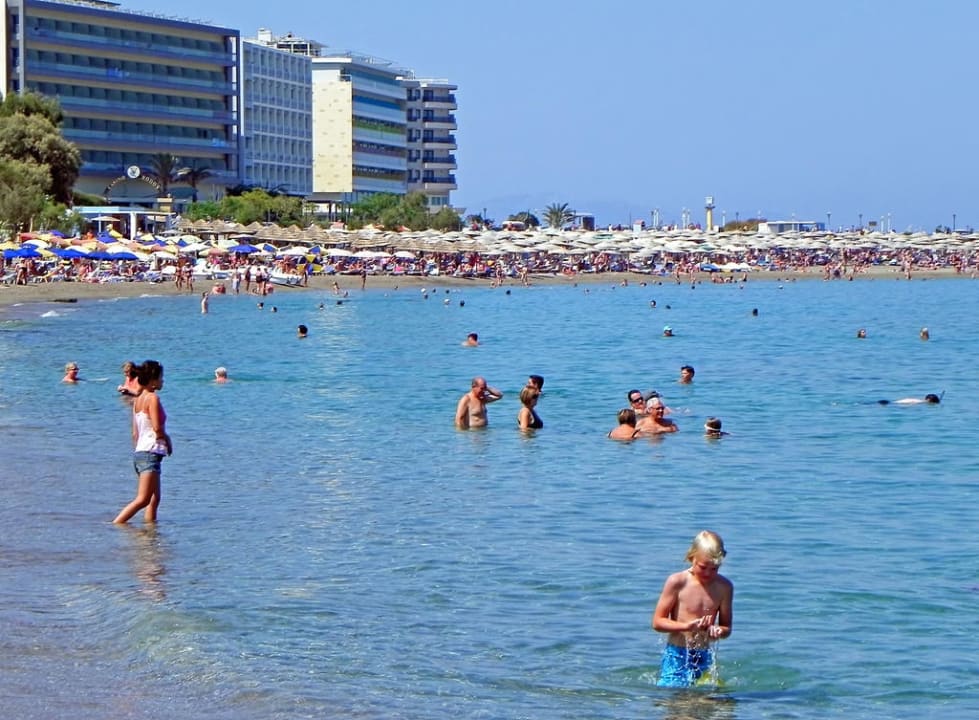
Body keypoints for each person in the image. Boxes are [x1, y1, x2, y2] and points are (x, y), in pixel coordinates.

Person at [652, 530, 733, 688]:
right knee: (674, 695)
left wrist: (718, 631)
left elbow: (727, 628)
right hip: (677, 653)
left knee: (708, 698)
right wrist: (686, 626)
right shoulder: (677, 582)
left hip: (704, 655)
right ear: (691, 557)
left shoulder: (724, 587)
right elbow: (657, 622)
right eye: (703, 567)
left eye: (714, 569)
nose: (708, 573)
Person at [114, 360, 172, 524]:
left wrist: (140, 451)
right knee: (143, 499)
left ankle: (150, 532)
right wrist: (167, 439)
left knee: (154, 498)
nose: (162, 381)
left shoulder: (138, 400)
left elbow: (135, 433)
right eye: (161, 377)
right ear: (152, 380)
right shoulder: (152, 398)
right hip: (149, 453)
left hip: (141, 452)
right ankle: (116, 524)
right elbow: (156, 427)